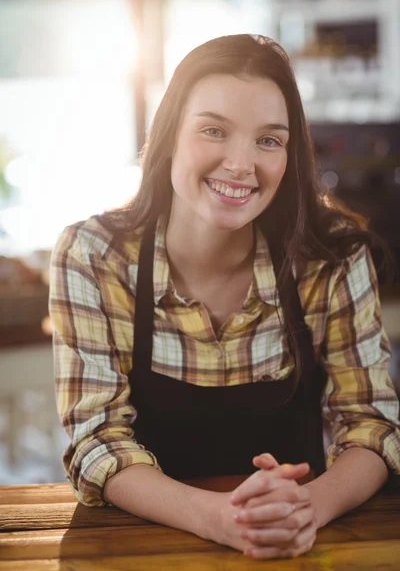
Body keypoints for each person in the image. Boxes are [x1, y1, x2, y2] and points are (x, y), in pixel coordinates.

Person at [49, 34, 400, 561]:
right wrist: (220, 518)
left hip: (296, 546)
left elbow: (373, 423)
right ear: (169, 135)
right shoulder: (93, 257)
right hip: (143, 550)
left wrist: (306, 507)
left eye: (269, 140)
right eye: (214, 130)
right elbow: (97, 441)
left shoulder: (331, 257)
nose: (240, 164)